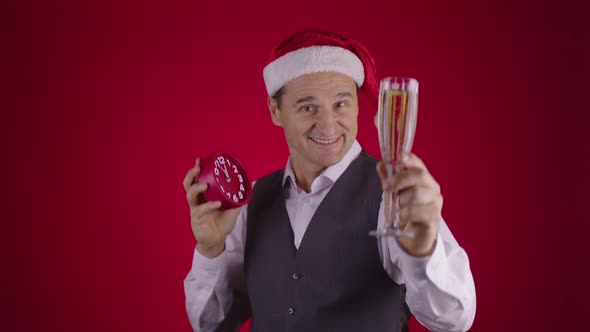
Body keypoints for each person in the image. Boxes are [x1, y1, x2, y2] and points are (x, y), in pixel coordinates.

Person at [183, 30, 476, 332]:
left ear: (357, 106)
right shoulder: (252, 200)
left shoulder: (394, 194)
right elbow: (210, 326)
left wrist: (423, 251)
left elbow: (455, 320)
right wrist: (211, 249)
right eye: (308, 107)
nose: (327, 124)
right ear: (275, 110)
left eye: (341, 104)